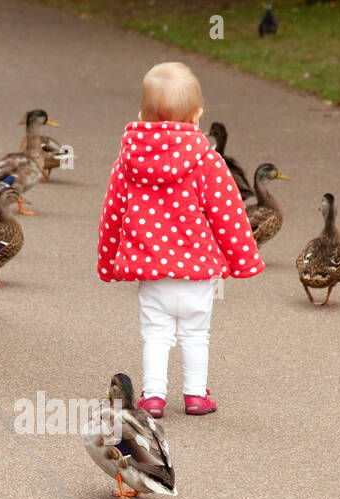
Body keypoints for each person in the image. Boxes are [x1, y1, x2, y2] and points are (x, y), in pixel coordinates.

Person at [96, 62, 264, 416]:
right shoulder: (207, 161)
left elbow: (113, 214)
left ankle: (153, 396)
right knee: (195, 334)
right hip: (197, 273)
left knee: (155, 335)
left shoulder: (127, 161)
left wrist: (109, 262)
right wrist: (243, 260)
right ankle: (195, 395)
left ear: (143, 113)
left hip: (152, 274)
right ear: (198, 116)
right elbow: (228, 215)